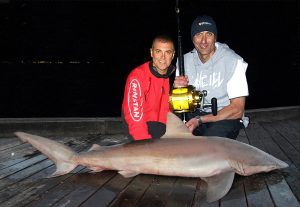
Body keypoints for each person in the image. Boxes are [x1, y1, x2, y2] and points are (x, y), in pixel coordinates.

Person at [173, 15, 249, 139]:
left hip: (225, 117)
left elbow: (237, 109)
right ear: (192, 39)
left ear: (215, 37)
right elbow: (177, 104)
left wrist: (201, 120)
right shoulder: (183, 61)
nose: (203, 41)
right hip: (194, 115)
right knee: (172, 137)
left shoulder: (233, 61)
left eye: (208, 34)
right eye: (198, 34)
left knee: (210, 142)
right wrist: (177, 90)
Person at [122, 34, 176, 141]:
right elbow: (135, 117)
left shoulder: (175, 76)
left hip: (162, 126)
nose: (163, 57)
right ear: (151, 52)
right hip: (138, 126)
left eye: (168, 52)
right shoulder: (137, 76)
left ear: (173, 55)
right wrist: (144, 142)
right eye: (158, 51)